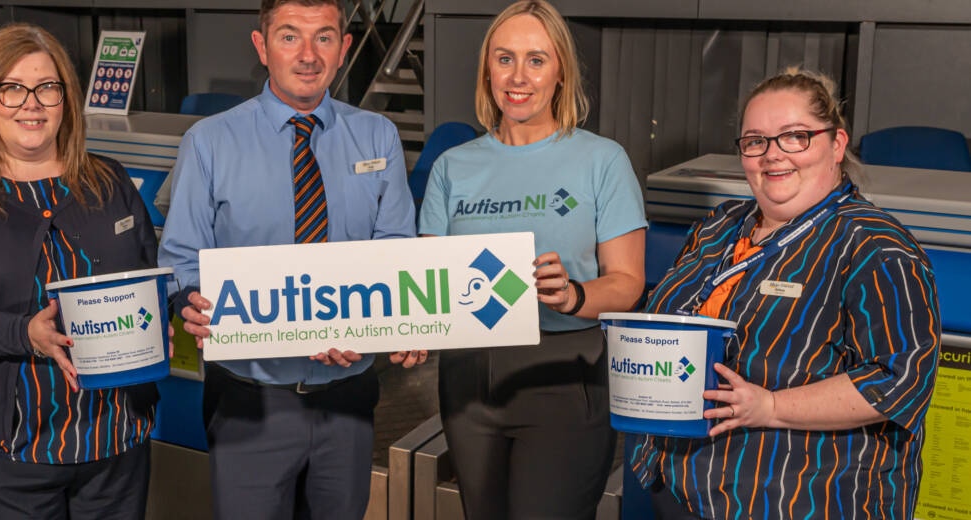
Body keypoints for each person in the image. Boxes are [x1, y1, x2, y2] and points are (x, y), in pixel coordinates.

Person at [633, 68, 941, 520]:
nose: (772, 156)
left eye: (794, 137)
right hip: (684, 488)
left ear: (836, 144)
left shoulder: (876, 247)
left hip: (800, 497)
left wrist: (772, 406)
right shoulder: (720, 226)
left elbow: (901, 380)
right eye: (755, 140)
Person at [156, 0, 419, 517]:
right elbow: (181, 261)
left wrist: (383, 326)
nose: (307, 55)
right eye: (289, 36)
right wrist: (189, 299)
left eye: (323, 37)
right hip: (251, 402)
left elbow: (396, 255)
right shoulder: (209, 143)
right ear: (261, 46)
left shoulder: (377, 136)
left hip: (348, 398)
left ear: (344, 49)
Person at [0, 24, 161, 519]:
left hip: (113, 437)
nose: (32, 104)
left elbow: (147, 279)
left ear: (65, 98)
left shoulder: (109, 180)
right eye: (12, 89)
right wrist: (24, 333)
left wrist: (159, 325)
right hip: (2, 452)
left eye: (47, 87)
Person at [417, 2, 647, 518]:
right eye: (505, 59)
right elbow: (430, 286)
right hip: (469, 379)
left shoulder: (602, 160)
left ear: (561, 70)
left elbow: (629, 282)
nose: (518, 77)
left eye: (536, 60)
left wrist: (574, 295)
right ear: (487, 70)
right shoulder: (452, 168)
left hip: (563, 375)